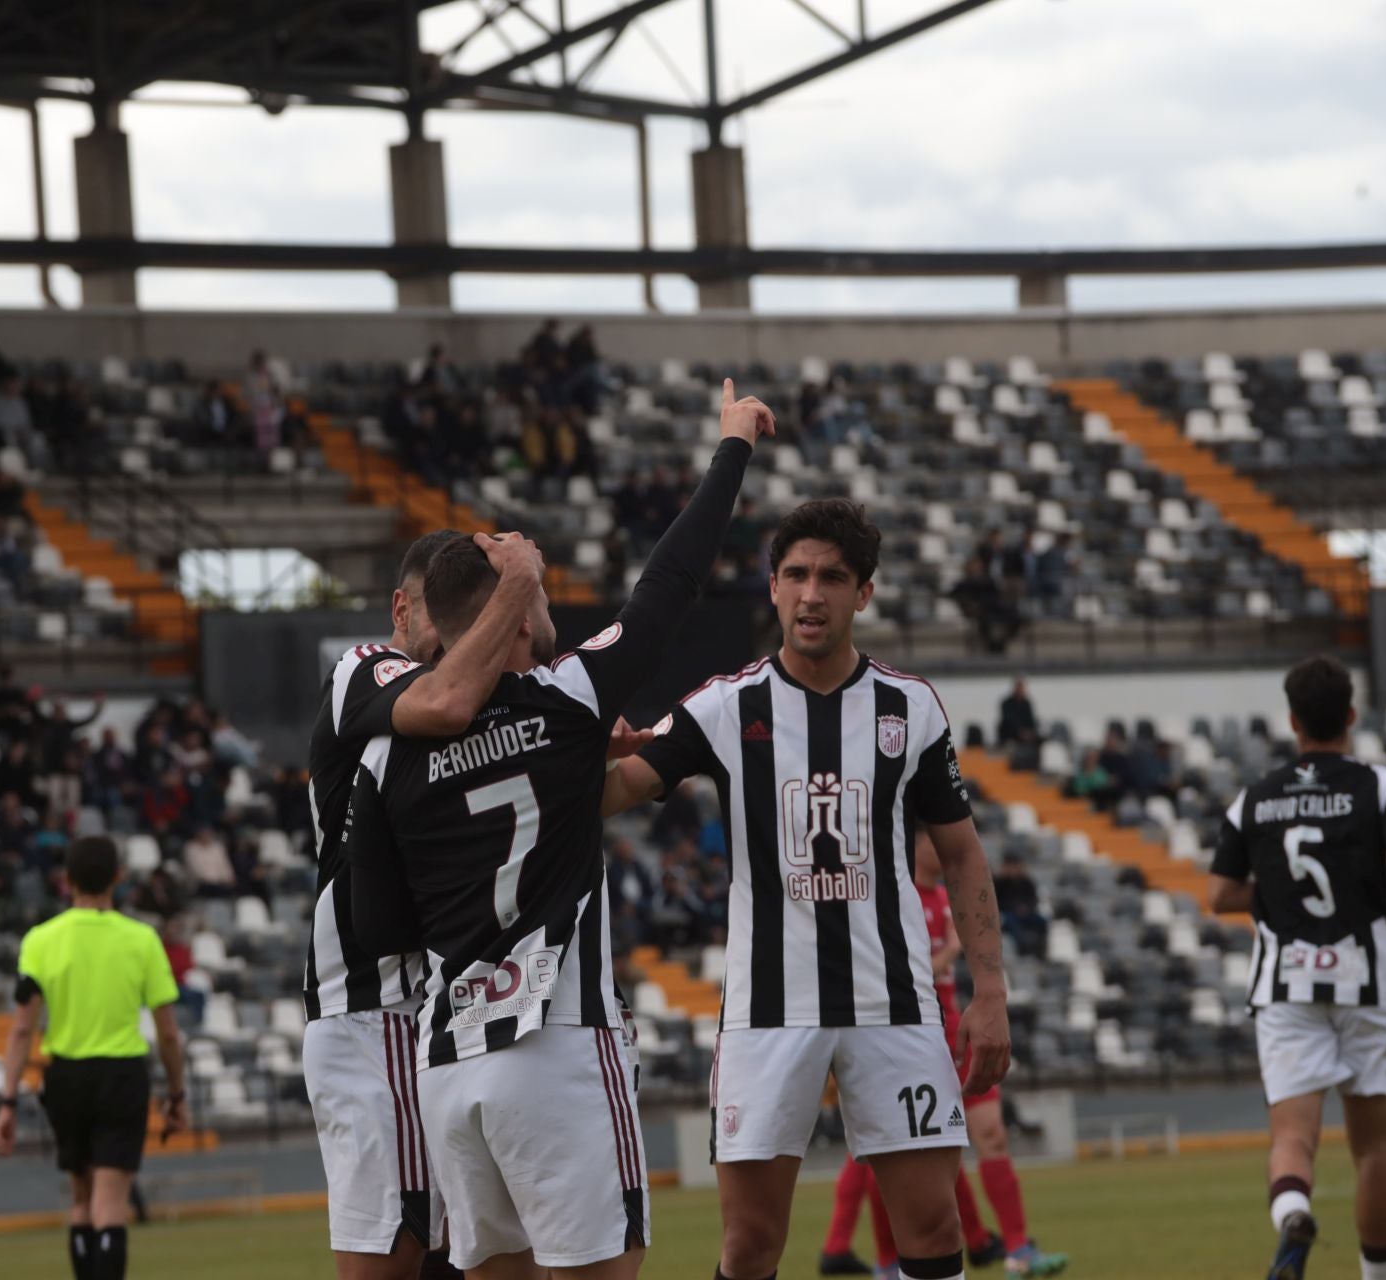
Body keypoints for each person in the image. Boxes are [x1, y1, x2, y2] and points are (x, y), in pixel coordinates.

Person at [348, 379, 775, 1279]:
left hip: (448, 1064)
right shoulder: (566, 699)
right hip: (556, 1046)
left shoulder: (386, 752)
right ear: (509, 608)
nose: (554, 620)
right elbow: (672, 582)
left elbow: (380, 927)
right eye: (536, 601)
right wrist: (732, 444)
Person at [603, 495, 1012, 1280]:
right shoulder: (727, 705)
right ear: (772, 586)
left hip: (893, 1000)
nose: (810, 593)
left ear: (863, 592)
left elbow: (961, 856)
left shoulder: (910, 708)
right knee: (750, 1246)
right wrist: (577, 745)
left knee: (931, 1230)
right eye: (795, 574)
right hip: (766, 1011)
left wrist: (989, 992)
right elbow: (617, 792)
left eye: (831, 577)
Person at [302, 525, 552, 1280]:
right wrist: (513, 588)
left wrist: (524, 590)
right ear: (402, 610)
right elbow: (443, 702)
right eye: (445, 622)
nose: (458, 643)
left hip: (439, 1010)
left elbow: (536, 652)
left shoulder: (475, 700)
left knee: (477, 1245)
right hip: (374, 1007)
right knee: (402, 1239)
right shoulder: (363, 670)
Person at [1206, 655, 1386, 1280]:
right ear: (1351, 716)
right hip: (1367, 980)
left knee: (1293, 1137)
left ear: (1293, 720)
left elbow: (1219, 895)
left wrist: (1272, 894)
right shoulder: (1380, 785)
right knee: (1377, 1147)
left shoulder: (1255, 798)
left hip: (1286, 985)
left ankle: (1294, 1213)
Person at [0, 836, 188, 1280]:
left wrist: (6, 1101)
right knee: (111, 1202)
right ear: (119, 878)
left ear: (66, 881)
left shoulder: (41, 940)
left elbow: (22, 1027)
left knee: (81, 1200)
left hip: (65, 1078)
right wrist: (177, 1093)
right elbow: (169, 1033)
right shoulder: (141, 939)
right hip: (121, 1076)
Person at [915, 836, 1067, 1276]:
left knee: (992, 1133)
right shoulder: (900, 892)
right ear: (919, 841)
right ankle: (975, 1239)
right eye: (934, 839)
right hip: (918, 1031)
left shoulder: (946, 896)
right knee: (940, 1147)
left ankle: (1019, 1250)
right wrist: (955, 948)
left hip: (951, 1022)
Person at [996, 680, 1039, 760]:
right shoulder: (1006, 703)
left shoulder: (1026, 704)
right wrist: (1020, 732)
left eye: (1022, 688)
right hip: (1010, 735)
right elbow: (1008, 721)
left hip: (1026, 736)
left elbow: (1031, 721)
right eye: (1019, 687)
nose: (1021, 690)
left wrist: (1030, 732)